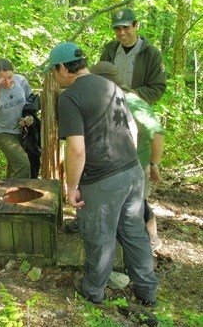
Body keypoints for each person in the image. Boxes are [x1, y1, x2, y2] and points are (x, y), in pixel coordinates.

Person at [42, 42, 158, 306]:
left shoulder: (70, 97)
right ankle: (147, 291)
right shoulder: (112, 86)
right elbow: (132, 129)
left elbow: (76, 149)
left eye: (53, 70)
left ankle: (94, 292)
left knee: (99, 237)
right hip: (131, 171)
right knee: (134, 233)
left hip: (102, 180)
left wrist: (72, 187)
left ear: (63, 68)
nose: (54, 76)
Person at [90, 61, 164, 252]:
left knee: (138, 204)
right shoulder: (107, 98)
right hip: (116, 165)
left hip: (137, 164)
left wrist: (154, 164)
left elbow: (156, 134)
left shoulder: (132, 101)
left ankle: (152, 238)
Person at [100, 8, 166, 105]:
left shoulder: (151, 54)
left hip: (137, 111)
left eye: (126, 27)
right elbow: (99, 81)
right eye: (117, 28)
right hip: (110, 109)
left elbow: (157, 88)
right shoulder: (109, 51)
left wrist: (129, 95)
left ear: (135, 25)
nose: (122, 33)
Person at [0, 59, 32, 179]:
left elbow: (30, 103)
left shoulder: (21, 82)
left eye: (10, 77)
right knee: (23, 163)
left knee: (14, 164)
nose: (7, 82)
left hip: (20, 130)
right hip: (3, 132)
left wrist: (28, 117)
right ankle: (19, 194)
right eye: (2, 79)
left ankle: (6, 191)